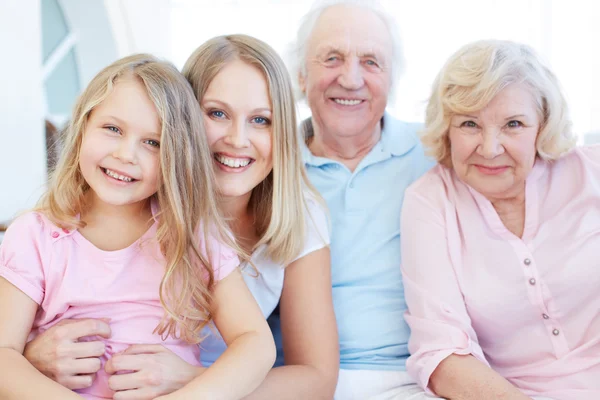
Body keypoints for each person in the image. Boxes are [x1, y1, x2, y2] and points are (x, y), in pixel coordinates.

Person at [23, 35, 339, 399]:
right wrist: (30, 355)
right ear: (179, 116)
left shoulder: (296, 216)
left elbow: (315, 378)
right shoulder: (127, 198)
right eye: (217, 113)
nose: (237, 139)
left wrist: (191, 379)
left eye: (261, 120)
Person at [401, 39, 599, 400]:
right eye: (469, 124)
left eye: (513, 124)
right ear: (446, 127)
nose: (490, 148)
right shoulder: (429, 201)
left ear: (542, 125)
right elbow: (441, 352)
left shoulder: (592, 171)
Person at [274, 0, 435, 398]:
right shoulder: (266, 164)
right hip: (295, 380)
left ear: (392, 77)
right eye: (332, 58)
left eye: (371, 62)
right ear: (300, 72)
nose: (350, 79)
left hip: (421, 376)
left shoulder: (438, 154)